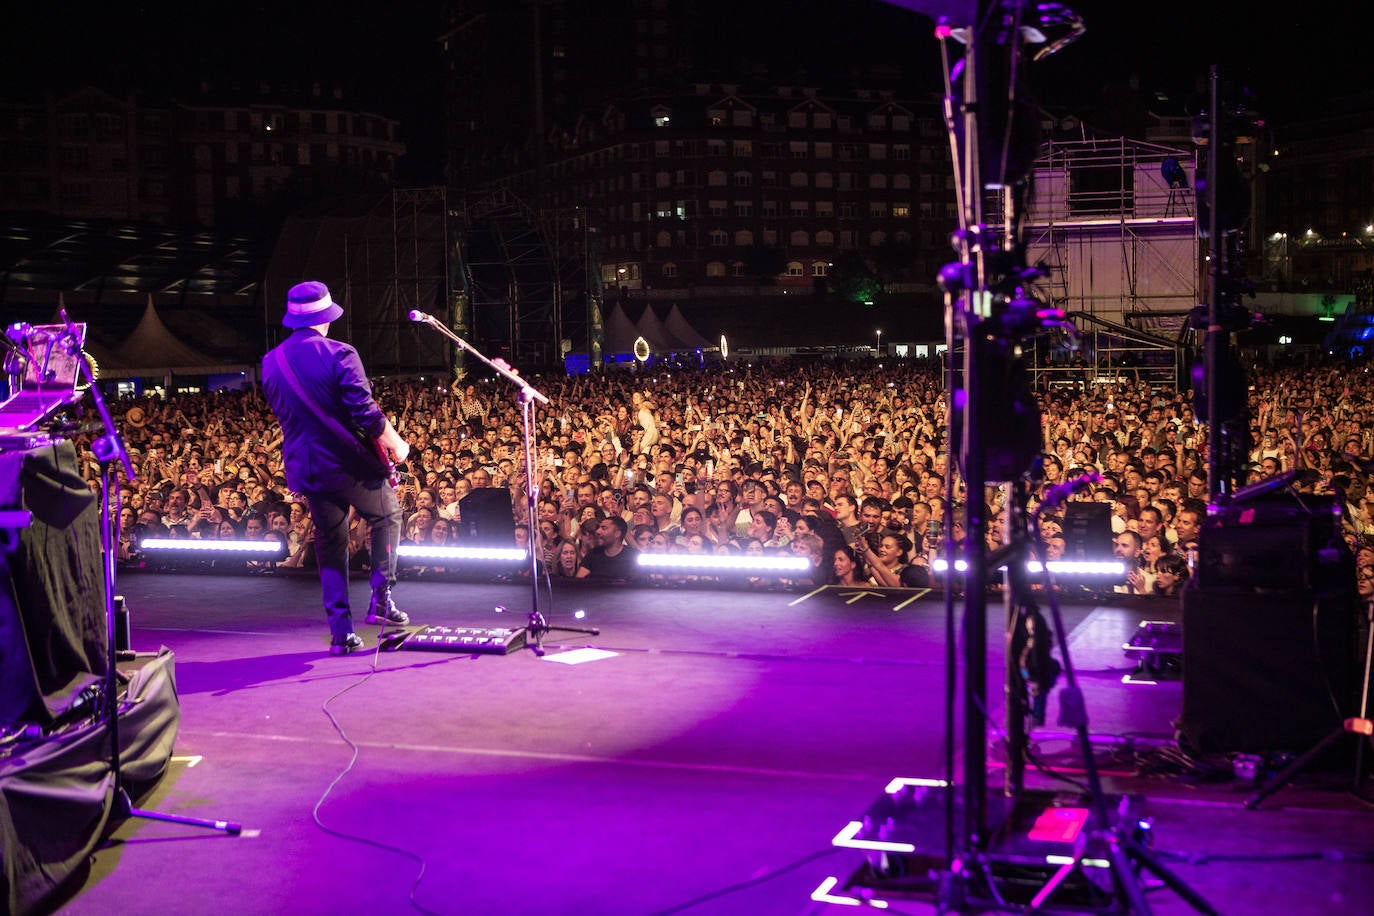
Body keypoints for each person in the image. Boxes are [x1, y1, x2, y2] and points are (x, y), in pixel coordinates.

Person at [262, 280, 412, 656]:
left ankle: (341, 631)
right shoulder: (340, 353)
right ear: (325, 319)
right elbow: (365, 411)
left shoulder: (271, 362)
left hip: (307, 467)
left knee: (332, 545)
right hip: (347, 463)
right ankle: (382, 598)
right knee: (388, 516)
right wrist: (397, 443)